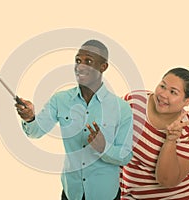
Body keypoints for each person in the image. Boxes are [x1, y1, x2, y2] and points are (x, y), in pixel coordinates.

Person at [15, 40, 133, 200]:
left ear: (103, 67)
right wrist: (29, 118)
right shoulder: (60, 100)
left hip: (105, 194)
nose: (81, 66)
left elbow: (125, 156)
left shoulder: (121, 108)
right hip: (72, 192)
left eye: (88, 61)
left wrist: (104, 147)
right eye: (78, 60)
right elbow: (36, 132)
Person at [120, 67, 189, 199]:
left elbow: (166, 180)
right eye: (162, 86)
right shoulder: (134, 102)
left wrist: (170, 140)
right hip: (131, 194)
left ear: (187, 100)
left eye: (173, 92)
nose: (163, 94)